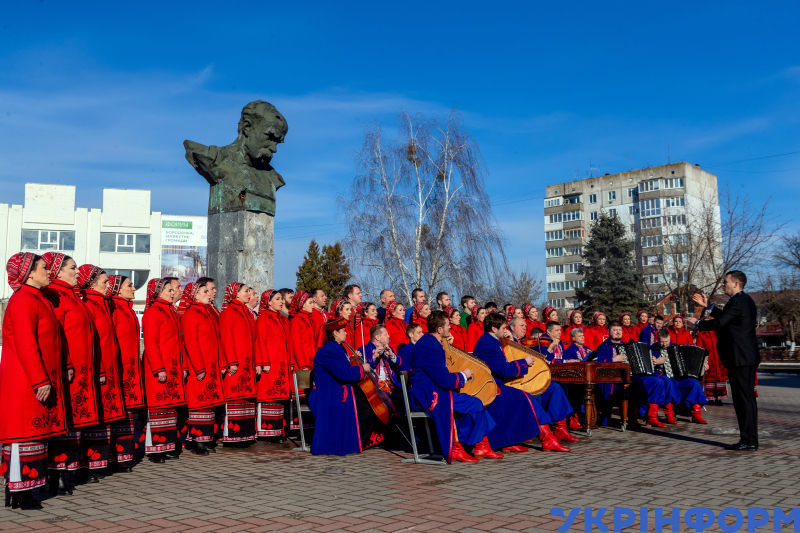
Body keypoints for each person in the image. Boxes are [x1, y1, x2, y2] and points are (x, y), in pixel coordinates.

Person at [1, 253, 67, 509]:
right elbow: (27, 344)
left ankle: (24, 490)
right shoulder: (22, 301)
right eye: (43, 267)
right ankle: (18, 490)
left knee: (34, 434)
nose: (48, 271)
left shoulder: (37, 299)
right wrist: (40, 380)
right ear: (29, 273)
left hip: (34, 378)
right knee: (22, 434)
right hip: (24, 380)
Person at [41, 253, 97, 494]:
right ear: (58, 271)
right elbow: (56, 334)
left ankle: (69, 470)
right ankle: (56, 474)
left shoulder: (71, 295)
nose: (77, 272)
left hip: (80, 371)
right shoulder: (54, 294)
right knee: (64, 421)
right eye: (72, 268)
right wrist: (68, 363)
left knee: (76, 420)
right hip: (68, 370)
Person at [476, 314, 572, 453]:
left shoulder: (494, 340)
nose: (505, 330)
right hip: (494, 387)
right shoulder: (487, 343)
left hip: (504, 383)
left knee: (553, 386)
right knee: (524, 397)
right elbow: (503, 369)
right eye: (503, 328)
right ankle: (547, 439)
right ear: (493, 328)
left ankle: (555, 430)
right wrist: (524, 362)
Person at [410, 311, 498, 463]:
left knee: (475, 401)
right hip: (428, 393)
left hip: (433, 389)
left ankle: (480, 444)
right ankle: (458, 446)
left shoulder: (431, 342)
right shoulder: (429, 346)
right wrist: (463, 375)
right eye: (447, 325)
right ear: (439, 329)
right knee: (475, 403)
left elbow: (440, 373)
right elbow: (444, 380)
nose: (449, 328)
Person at [688, 271, 760, 451]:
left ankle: (748, 440)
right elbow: (726, 317)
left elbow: (720, 323)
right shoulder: (745, 300)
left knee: (743, 399)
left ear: (735, 283)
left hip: (740, 357)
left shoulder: (736, 301)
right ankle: (749, 439)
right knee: (748, 399)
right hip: (746, 356)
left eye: (725, 281)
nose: (722, 284)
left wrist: (697, 323)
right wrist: (708, 306)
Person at [309, 318, 385, 455]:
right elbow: (343, 374)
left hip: (337, 390)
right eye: (343, 331)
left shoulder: (337, 348)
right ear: (335, 333)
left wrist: (356, 361)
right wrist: (362, 369)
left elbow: (342, 368)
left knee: (367, 405)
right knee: (365, 407)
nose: (345, 333)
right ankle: (353, 442)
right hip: (329, 394)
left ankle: (357, 441)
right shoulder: (330, 350)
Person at [78, 265, 126, 479]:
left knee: (104, 417)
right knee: (93, 418)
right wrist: (99, 369)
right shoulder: (89, 304)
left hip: (109, 370)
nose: (109, 285)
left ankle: (98, 462)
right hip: (98, 371)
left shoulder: (103, 305)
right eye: (105, 282)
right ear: (91, 282)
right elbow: (92, 343)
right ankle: (87, 464)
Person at [142, 278, 187, 463]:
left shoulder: (172, 312)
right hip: (159, 369)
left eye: (171, 289)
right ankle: (155, 450)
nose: (172, 293)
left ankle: (168, 446)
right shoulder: (153, 313)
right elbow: (151, 344)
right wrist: (158, 368)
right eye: (168, 290)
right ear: (159, 292)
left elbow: (179, 344)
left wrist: (182, 367)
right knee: (158, 409)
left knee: (170, 409)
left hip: (173, 368)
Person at [179, 279, 226, 455]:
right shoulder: (191, 314)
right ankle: (196, 440)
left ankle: (205, 439)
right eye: (205, 292)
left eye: (208, 291)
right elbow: (191, 343)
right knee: (199, 403)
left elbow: (217, 341)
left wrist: (221, 362)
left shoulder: (207, 313)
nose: (209, 294)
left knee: (209, 403)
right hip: (199, 367)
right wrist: (199, 368)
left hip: (212, 366)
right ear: (195, 295)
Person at [106, 274, 145, 473]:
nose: (134, 289)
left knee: (128, 412)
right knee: (118, 413)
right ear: (118, 289)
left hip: (129, 369)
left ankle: (123, 456)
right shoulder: (113, 308)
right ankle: (115, 457)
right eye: (130, 285)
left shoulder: (127, 308)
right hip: (119, 369)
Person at [595, 321, 666, 428]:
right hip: (614, 381)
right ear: (608, 331)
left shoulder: (627, 345)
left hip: (631, 377)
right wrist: (613, 359)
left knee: (657, 381)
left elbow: (638, 363)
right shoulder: (604, 346)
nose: (618, 332)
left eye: (619, 330)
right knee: (636, 381)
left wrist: (650, 361)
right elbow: (597, 364)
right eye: (614, 330)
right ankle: (632, 417)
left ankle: (651, 417)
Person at [219, 282, 258, 447]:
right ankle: (233, 436)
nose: (248, 294)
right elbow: (227, 339)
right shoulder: (229, 313)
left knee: (246, 400)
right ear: (235, 294)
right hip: (236, 363)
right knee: (235, 398)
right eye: (245, 291)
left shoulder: (246, 313)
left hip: (247, 363)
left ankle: (245, 435)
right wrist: (232, 362)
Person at [255, 290, 293, 442]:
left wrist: (290, 362)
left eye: (282, 299)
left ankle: (278, 430)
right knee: (270, 396)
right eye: (277, 299)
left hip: (281, 364)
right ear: (268, 302)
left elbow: (288, 343)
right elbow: (260, 342)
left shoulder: (283, 319)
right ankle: (268, 432)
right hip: (270, 364)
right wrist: (264, 362)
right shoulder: (263, 318)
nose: (281, 301)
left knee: (280, 397)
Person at [651, 329, 708, 424]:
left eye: (666, 341)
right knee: (668, 383)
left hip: (679, 378)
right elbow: (647, 368)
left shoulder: (677, 348)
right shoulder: (652, 349)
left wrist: (703, 367)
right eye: (662, 341)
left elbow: (690, 364)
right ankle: (669, 414)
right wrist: (656, 362)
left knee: (694, 383)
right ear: (657, 339)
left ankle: (696, 414)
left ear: (670, 339)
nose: (664, 344)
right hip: (662, 377)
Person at [289, 291, 317, 433]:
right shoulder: (297, 320)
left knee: (311, 393)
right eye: (310, 302)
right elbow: (297, 344)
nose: (313, 305)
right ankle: (299, 427)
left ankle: (309, 425)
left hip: (311, 361)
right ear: (302, 304)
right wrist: (303, 365)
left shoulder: (309, 319)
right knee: (302, 392)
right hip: (303, 364)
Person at [360, 324, 406, 395]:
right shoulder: (364, 349)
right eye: (386, 334)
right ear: (377, 337)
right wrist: (374, 357)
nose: (388, 336)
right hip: (375, 387)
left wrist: (392, 355)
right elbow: (361, 369)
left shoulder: (388, 348)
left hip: (392, 385)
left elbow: (401, 365)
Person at [696, 325, 728, 405]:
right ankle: (710, 398)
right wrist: (703, 359)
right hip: (708, 359)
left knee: (720, 378)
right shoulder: (701, 334)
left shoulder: (718, 333)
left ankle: (719, 399)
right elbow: (699, 348)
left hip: (719, 358)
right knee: (709, 378)